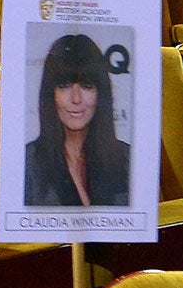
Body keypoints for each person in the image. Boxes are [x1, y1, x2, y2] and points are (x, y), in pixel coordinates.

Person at [22, 34, 131, 207]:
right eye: (64, 86)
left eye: (87, 86)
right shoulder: (27, 164)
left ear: (100, 93)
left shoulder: (128, 159)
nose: (76, 98)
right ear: (51, 94)